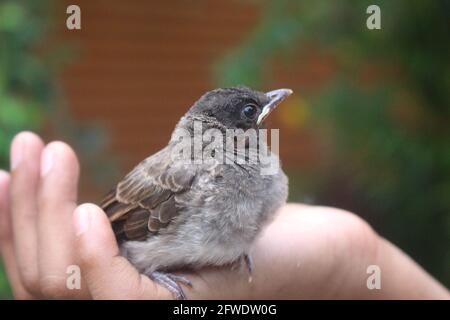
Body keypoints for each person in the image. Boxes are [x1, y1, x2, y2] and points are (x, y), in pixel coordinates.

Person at [0, 131, 448, 299]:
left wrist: (353, 257)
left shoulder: (258, 174)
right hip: (136, 244)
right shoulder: (184, 174)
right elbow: (120, 225)